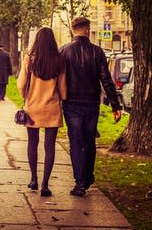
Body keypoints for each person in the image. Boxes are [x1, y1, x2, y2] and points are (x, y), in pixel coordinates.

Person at [60, 17, 122, 197]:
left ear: (73, 30)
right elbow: (106, 80)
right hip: (92, 103)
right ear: (87, 30)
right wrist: (115, 105)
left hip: (71, 103)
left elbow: (58, 78)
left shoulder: (63, 51)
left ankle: (80, 182)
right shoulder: (97, 52)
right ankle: (88, 176)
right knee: (89, 141)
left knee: (76, 142)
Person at [17, 27, 67, 197]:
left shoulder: (29, 59)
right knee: (50, 147)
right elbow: (63, 90)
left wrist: (26, 97)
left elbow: (21, 84)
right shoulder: (59, 60)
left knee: (32, 143)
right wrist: (58, 98)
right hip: (52, 108)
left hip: (33, 107)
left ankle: (33, 179)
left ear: (37, 40)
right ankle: (45, 185)